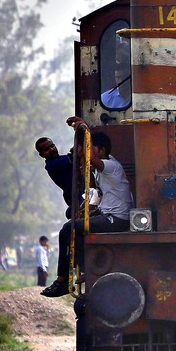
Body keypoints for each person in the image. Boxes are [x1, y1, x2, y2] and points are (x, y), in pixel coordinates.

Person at [42, 118, 134, 297]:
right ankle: (79, 270)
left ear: (102, 151)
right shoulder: (102, 171)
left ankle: (69, 277)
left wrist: (84, 129)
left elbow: (91, 158)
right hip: (109, 216)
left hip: (116, 220)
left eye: (91, 150)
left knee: (68, 229)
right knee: (72, 223)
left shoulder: (110, 166)